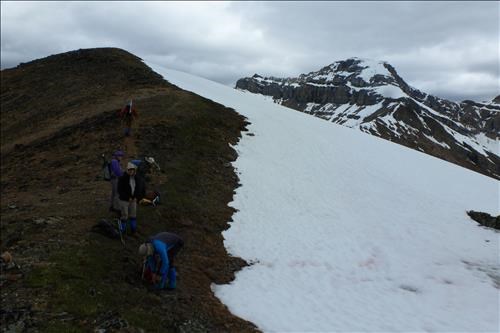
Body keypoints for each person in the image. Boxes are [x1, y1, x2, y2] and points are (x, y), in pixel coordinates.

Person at [117, 162, 145, 234]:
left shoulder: (137, 178)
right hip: (124, 200)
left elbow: (139, 188)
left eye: (132, 170)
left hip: (133, 200)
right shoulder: (122, 178)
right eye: (129, 170)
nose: (131, 171)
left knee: (133, 215)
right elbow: (119, 190)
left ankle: (133, 230)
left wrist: (136, 197)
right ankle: (122, 231)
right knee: (124, 215)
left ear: (134, 170)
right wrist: (127, 197)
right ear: (127, 170)